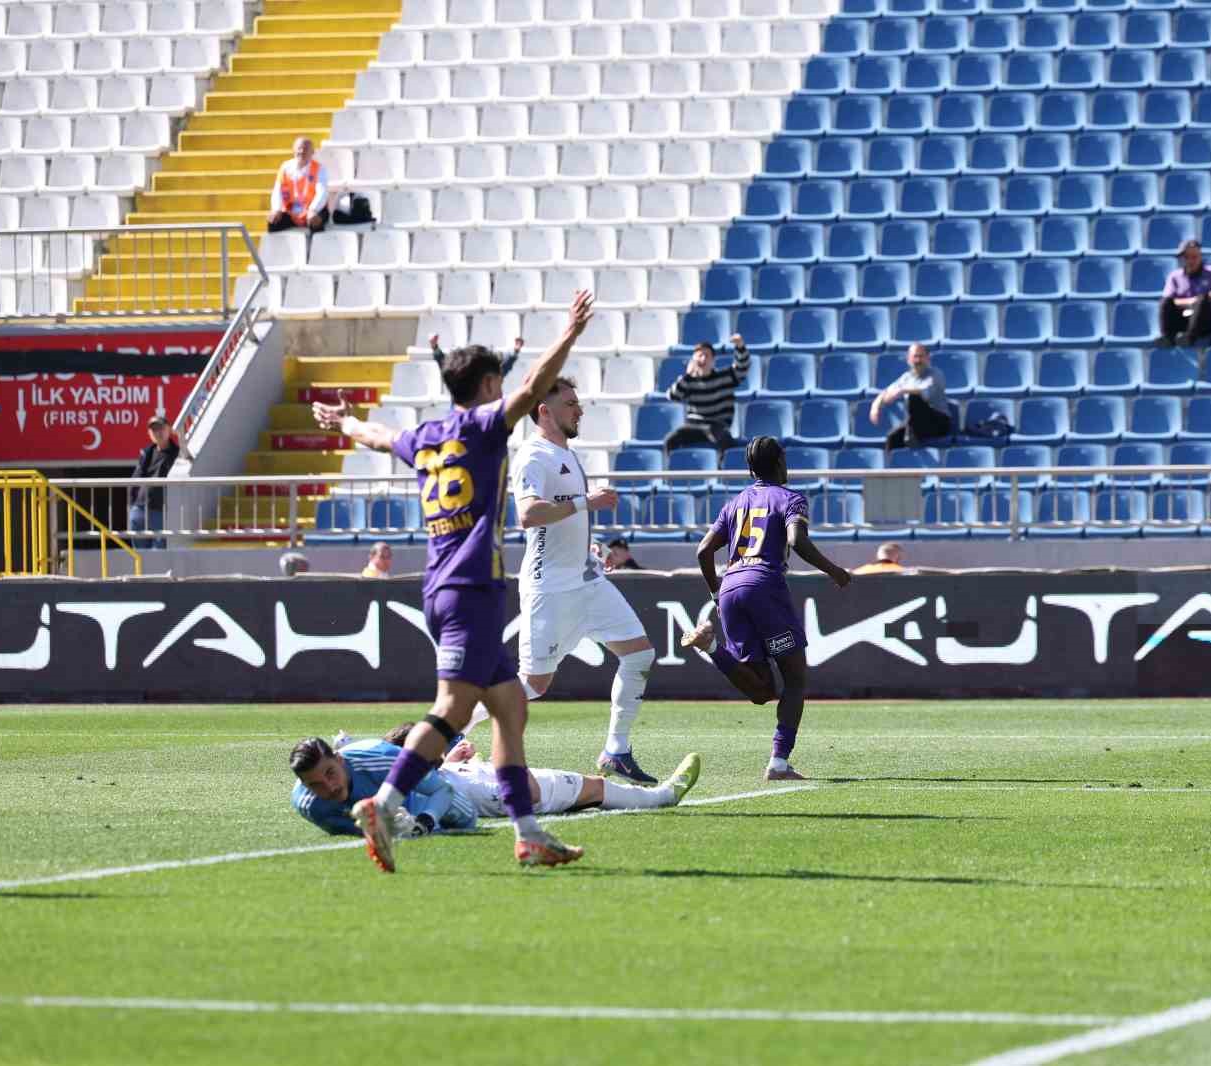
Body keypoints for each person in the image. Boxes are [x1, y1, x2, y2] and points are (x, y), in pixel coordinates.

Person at [311, 288, 595, 873]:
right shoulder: (486, 427)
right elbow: (534, 386)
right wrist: (569, 333)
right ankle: (384, 803)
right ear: (489, 385)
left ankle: (528, 834)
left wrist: (344, 421)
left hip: (446, 587)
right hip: (471, 588)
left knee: (510, 707)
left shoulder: (426, 436)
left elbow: (377, 436)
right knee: (453, 710)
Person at [514, 376, 661, 785]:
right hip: (551, 589)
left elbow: (561, 517)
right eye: (571, 404)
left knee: (640, 654)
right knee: (533, 685)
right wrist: (586, 502)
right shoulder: (534, 455)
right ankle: (446, 734)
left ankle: (617, 750)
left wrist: (588, 546)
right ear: (544, 411)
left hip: (586, 580)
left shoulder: (564, 453)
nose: (579, 410)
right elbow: (528, 515)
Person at [680, 436, 852, 781]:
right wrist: (835, 571)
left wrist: (717, 591)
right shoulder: (791, 499)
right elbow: (796, 541)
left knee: (761, 690)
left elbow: (703, 551)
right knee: (795, 678)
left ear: (749, 469)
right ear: (781, 463)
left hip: (731, 587)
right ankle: (778, 763)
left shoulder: (734, 503)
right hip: (765, 587)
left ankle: (711, 646)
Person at [379, 722, 701, 820]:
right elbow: (524, 796)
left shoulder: (433, 777)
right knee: (595, 787)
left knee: (592, 787)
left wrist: (450, 761)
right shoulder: (466, 790)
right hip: (533, 791)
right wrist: (508, 750)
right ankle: (664, 796)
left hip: (497, 776)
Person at [291, 735, 476, 838]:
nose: (329, 787)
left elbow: (442, 790)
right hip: (389, 808)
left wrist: (424, 822)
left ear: (340, 760)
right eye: (316, 785)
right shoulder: (308, 805)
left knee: (466, 814)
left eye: (330, 773)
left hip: (416, 790)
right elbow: (354, 831)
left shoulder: (384, 759)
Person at [665, 335, 750, 452]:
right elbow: (672, 396)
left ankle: (721, 468)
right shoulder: (688, 380)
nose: (703, 359)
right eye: (700, 355)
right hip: (693, 425)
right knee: (670, 440)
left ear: (713, 360)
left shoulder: (725, 377)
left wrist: (740, 346)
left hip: (717, 425)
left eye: (707, 355)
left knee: (724, 439)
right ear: (693, 359)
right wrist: (687, 376)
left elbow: (742, 368)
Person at [870, 343, 952, 452]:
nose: (918, 360)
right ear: (908, 359)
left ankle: (911, 437)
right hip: (915, 425)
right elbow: (886, 392)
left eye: (921, 356)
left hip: (938, 423)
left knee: (914, 399)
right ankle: (893, 466)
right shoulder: (906, 377)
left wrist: (902, 390)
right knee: (893, 437)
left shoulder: (935, 374)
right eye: (915, 356)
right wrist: (875, 406)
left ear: (928, 358)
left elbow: (924, 392)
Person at [1158, 239, 1211, 348]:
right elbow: (1169, 298)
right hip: (1182, 317)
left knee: (1202, 300)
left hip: (1203, 323)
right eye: (1187, 257)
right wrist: (1192, 302)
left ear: (1200, 256)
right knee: (1165, 302)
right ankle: (1167, 337)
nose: (1190, 261)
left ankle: (1189, 338)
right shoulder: (1175, 276)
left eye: (1194, 257)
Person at [127, 415, 191, 549]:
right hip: (139, 510)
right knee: (139, 556)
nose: (158, 432)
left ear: (169, 429)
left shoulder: (176, 452)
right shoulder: (147, 452)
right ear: (149, 433)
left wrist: (181, 437)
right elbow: (136, 478)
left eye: (161, 428)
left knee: (159, 555)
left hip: (160, 511)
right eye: (154, 429)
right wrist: (133, 506)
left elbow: (187, 459)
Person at [267, 137, 331, 233]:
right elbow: (277, 190)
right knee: (273, 222)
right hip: (291, 211)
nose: (302, 151)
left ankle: (316, 247)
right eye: (299, 148)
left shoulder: (319, 168)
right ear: (293, 150)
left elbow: (322, 192)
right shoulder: (285, 167)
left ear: (312, 152)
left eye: (305, 149)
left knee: (315, 222)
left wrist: (313, 209)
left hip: (312, 210)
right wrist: (276, 209)